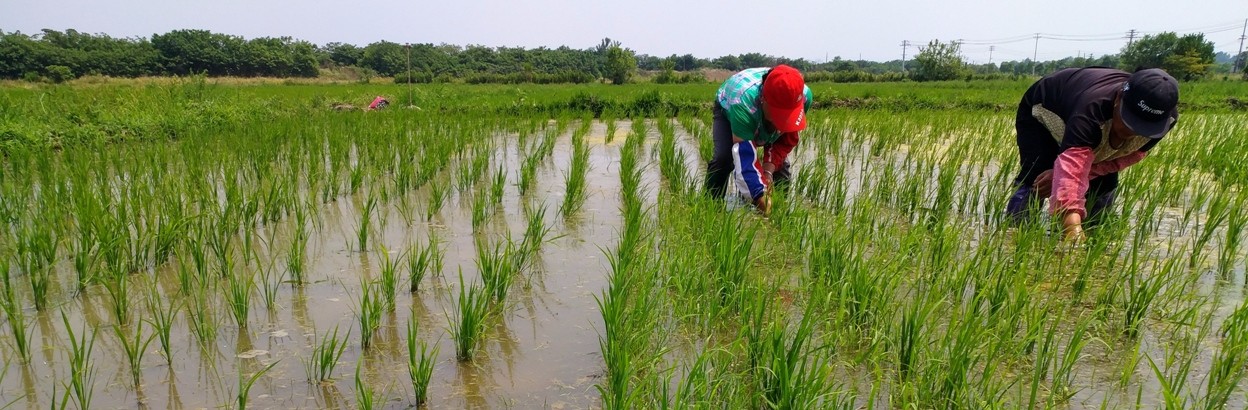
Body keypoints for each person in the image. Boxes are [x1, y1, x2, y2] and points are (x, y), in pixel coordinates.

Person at [1005, 67, 1179, 241]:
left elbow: (1128, 157)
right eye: (1128, 121)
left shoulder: (1166, 119)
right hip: (1045, 108)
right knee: (1037, 174)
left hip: (1085, 110)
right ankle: (1016, 232)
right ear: (1119, 98)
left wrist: (1063, 175)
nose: (1131, 132)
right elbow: (1072, 174)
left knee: (1103, 184)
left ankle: (1095, 234)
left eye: (1142, 127)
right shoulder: (1091, 111)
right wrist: (1073, 233)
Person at [705, 64, 812, 215]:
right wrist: (760, 198)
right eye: (778, 115)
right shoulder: (742, 103)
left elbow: (785, 139)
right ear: (763, 99)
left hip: (758, 107)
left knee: (781, 168)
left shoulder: (803, 97)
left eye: (788, 116)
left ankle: (781, 210)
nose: (780, 123)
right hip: (728, 105)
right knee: (724, 158)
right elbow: (745, 159)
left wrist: (768, 171)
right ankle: (710, 208)